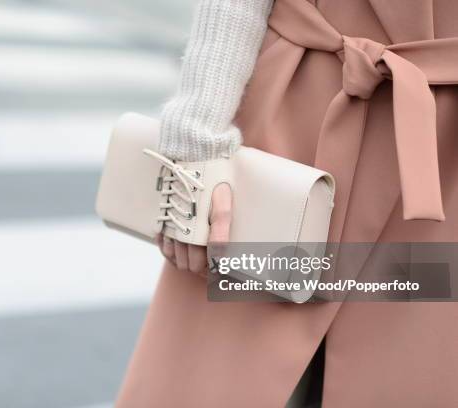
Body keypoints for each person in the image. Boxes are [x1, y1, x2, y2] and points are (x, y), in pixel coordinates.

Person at [117, 0, 458, 406]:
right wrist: (197, 144)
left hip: (442, 160)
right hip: (292, 121)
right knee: (216, 381)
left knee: (404, 375)